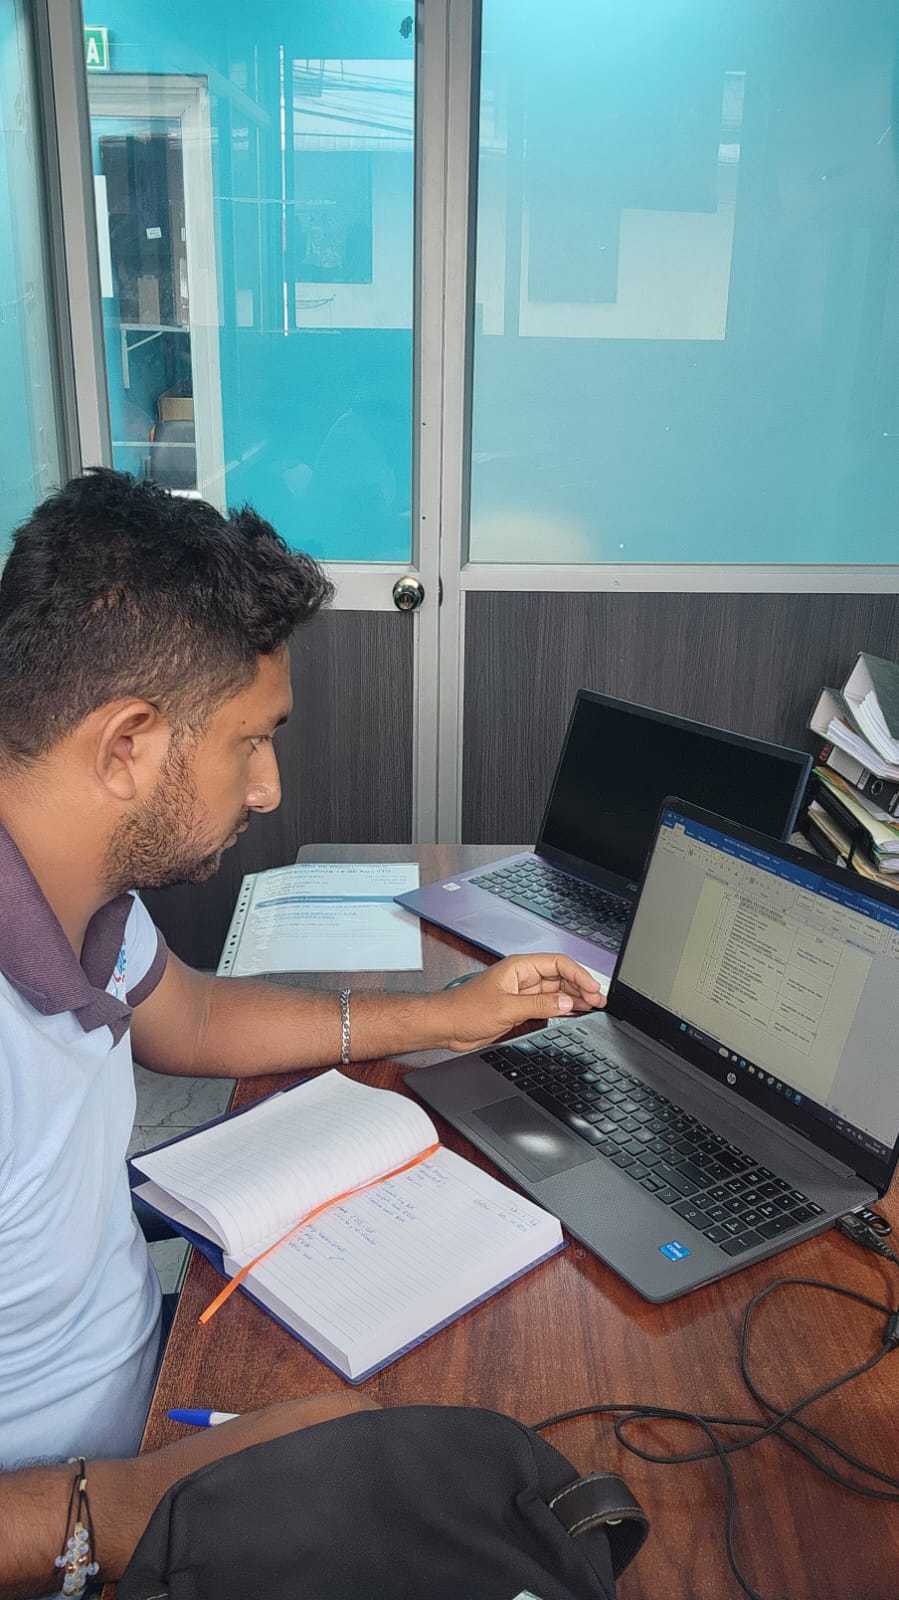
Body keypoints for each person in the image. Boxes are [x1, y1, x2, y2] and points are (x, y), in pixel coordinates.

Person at [0, 469, 602, 1597]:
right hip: (73, 1527)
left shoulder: (82, 892)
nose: (268, 788)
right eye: (251, 742)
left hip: (150, 1388)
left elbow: (190, 1015)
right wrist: (128, 1505)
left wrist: (441, 1016)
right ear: (126, 745)